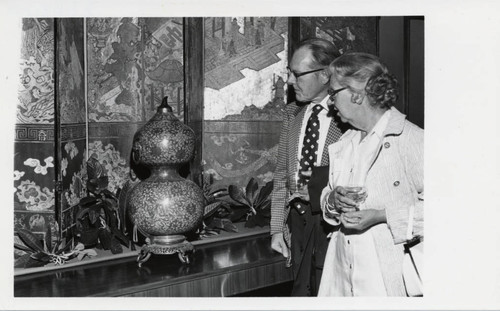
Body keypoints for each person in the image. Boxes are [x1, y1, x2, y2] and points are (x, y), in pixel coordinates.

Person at [318, 52, 424, 296]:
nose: (330, 102)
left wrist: (381, 216)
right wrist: (333, 199)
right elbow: (327, 196)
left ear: (356, 93)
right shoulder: (346, 141)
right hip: (341, 272)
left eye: (333, 93)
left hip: (384, 277)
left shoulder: (410, 139)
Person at [270, 38, 344, 296]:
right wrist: (277, 229)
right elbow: (281, 175)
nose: (290, 81)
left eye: (297, 74)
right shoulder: (292, 114)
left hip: (331, 225)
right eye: (289, 73)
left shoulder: (348, 118)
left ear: (325, 75)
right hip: (297, 227)